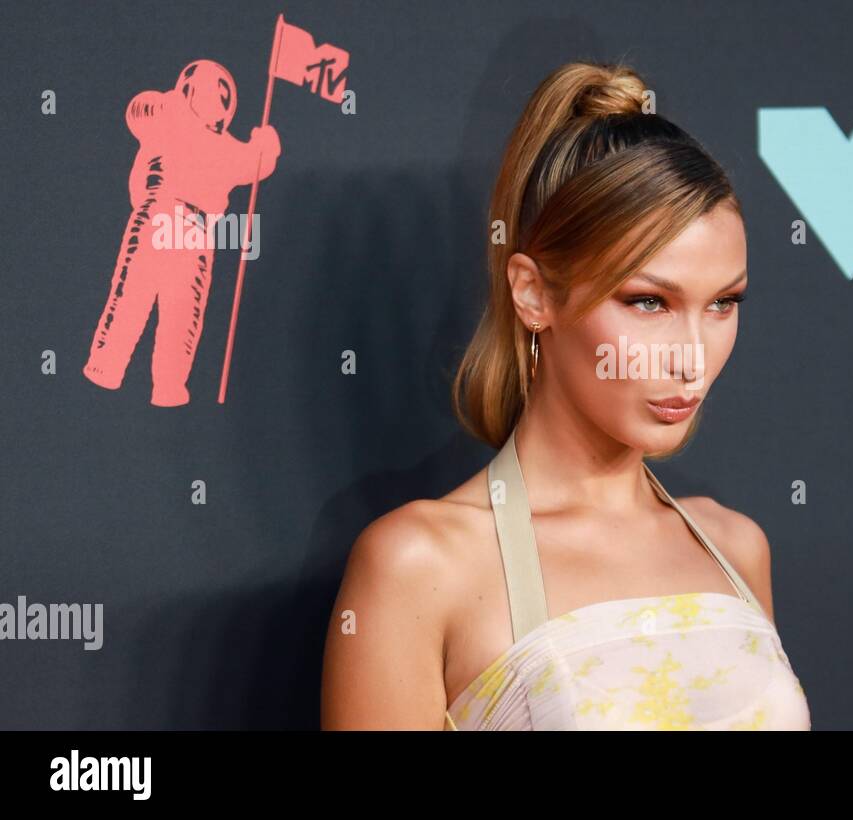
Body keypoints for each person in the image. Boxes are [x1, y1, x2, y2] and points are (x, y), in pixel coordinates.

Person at [321, 61, 810, 730]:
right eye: (648, 301)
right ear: (532, 294)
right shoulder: (419, 566)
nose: (692, 356)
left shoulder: (735, 546)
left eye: (724, 302)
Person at [83, 60, 280, 406]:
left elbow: (254, 163)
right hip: (158, 210)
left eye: (224, 94)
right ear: (189, 87)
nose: (218, 99)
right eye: (212, 89)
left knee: (182, 312)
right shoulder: (166, 115)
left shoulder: (224, 146)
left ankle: (169, 385)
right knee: (132, 295)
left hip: (196, 230)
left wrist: (266, 146)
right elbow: (137, 112)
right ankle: (105, 365)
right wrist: (168, 103)